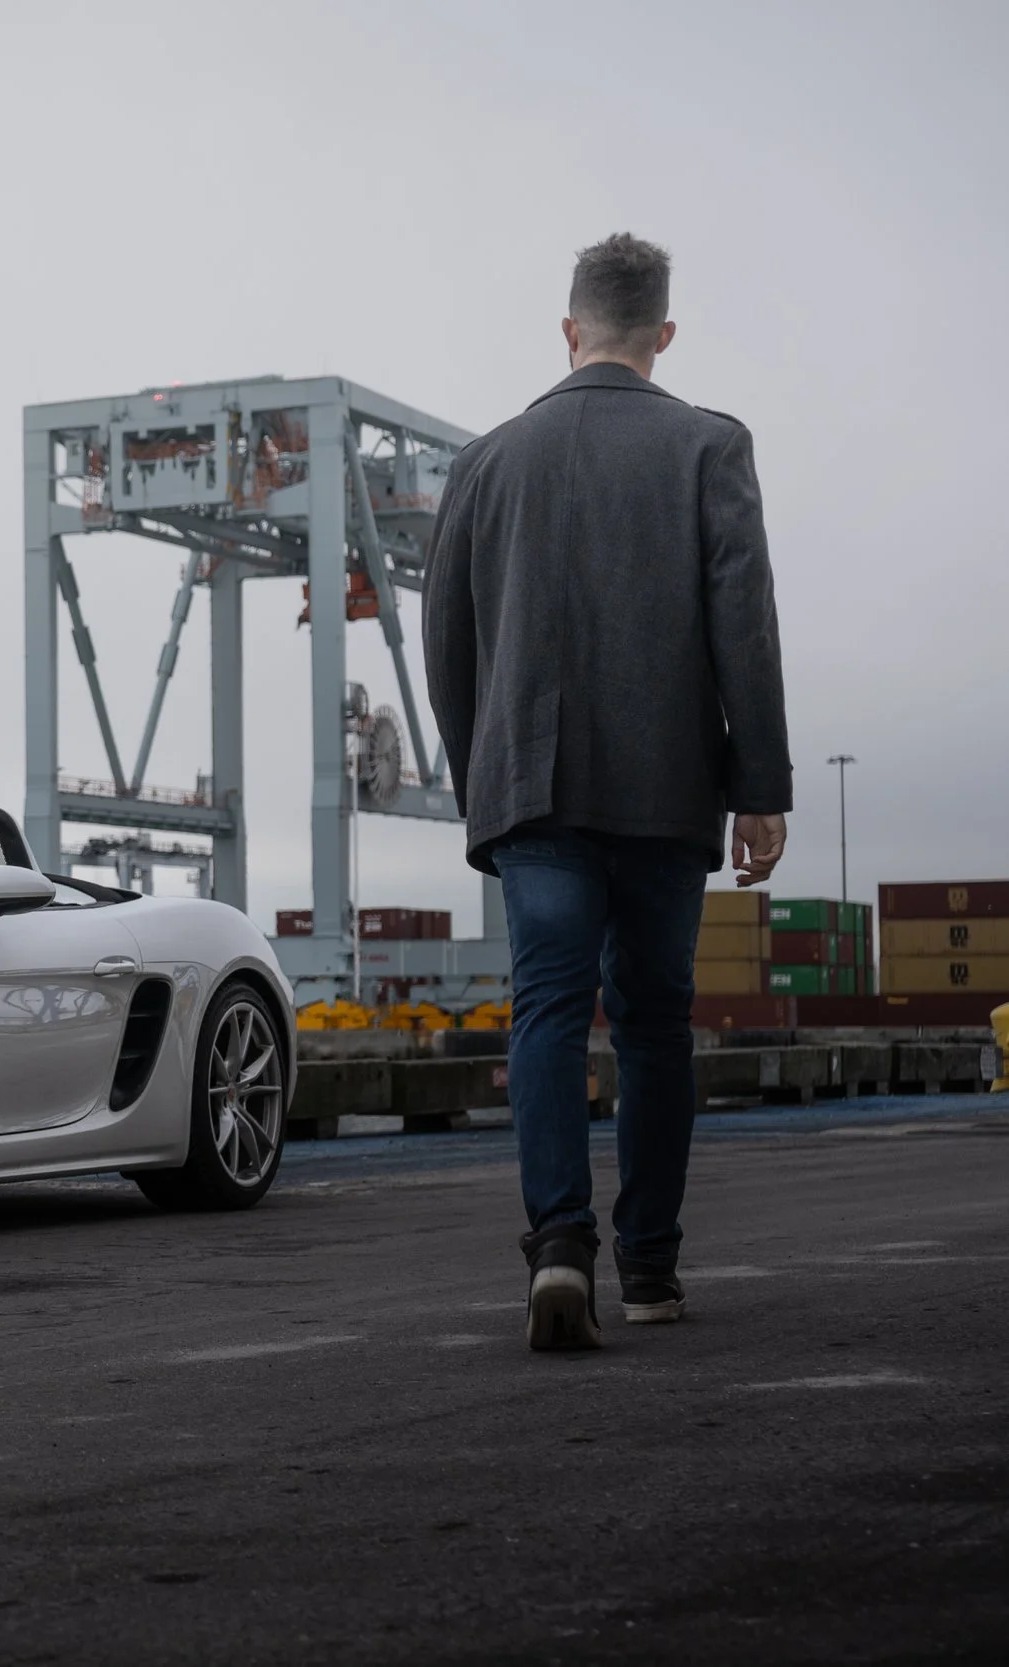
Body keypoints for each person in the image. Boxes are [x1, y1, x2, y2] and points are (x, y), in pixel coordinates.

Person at [422, 233, 791, 1351]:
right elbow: (745, 622)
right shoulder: (707, 445)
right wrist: (759, 785)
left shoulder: (486, 460)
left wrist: (478, 772)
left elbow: (446, 638)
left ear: (567, 327)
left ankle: (558, 1249)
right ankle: (654, 1269)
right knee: (653, 1024)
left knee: (543, 1008)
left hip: (529, 787)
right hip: (666, 785)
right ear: (663, 334)